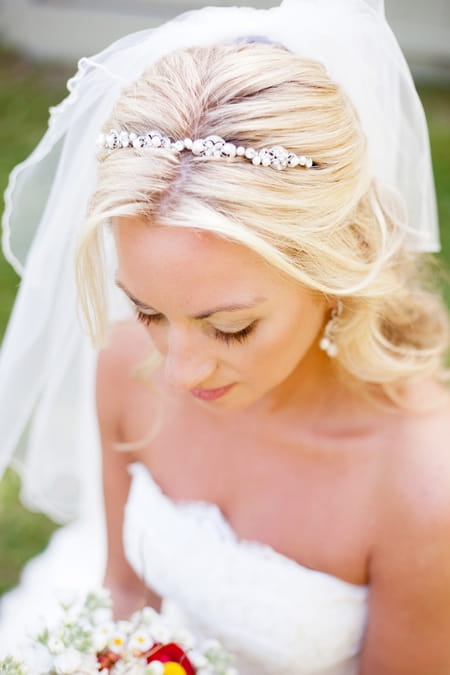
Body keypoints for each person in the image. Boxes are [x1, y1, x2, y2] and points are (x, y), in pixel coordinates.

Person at [0, 1, 449, 673]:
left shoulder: (421, 487)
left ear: (332, 272)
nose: (177, 372)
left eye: (229, 326)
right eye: (148, 311)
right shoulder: (126, 362)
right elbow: (124, 592)